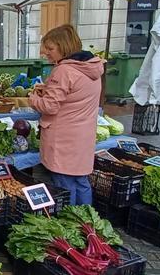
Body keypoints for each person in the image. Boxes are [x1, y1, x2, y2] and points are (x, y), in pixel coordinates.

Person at [29, 25, 104, 205]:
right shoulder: (92, 67)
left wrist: (32, 98)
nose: (46, 53)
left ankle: (70, 225)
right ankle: (87, 221)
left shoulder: (64, 70)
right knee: (81, 182)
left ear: (63, 47)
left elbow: (50, 106)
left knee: (64, 184)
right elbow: (76, 95)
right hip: (83, 137)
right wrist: (48, 89)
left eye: (50, 48)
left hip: (64, 139)